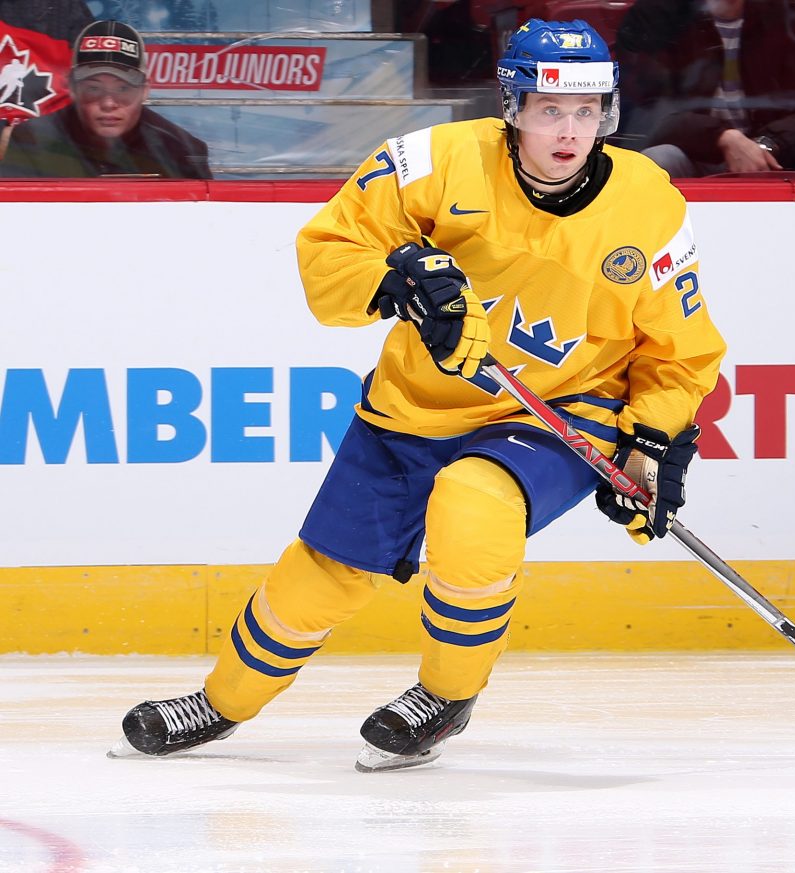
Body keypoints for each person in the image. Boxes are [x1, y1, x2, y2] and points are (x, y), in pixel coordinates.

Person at [108, 18, 727, 772]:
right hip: (412, 405)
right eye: (550, 111)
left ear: (609, 113)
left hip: (560, 406)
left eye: (588, 111)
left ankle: (445, 695)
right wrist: (394, 277)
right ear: (512, 107)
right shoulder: (431, 161)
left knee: (474, 507)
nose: (570, 131)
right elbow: (329, 255)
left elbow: (680, 347)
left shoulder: (647, 205)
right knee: (323, 573)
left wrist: (654, 436)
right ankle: (222, 701)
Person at [615, 0, 795, 177]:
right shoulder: (656, 15)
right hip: (694, 152)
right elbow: (647, 113)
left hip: (777, 155)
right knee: (658, 161)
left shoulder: (788, 17)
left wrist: (768, 143)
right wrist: (723, 138)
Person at [0, 19, 211, 178]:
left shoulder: (181, 151)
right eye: (93, 88)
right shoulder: (29, 140)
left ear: (145, 90)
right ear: (72, 88)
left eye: (123, 88)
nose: (108, 103)